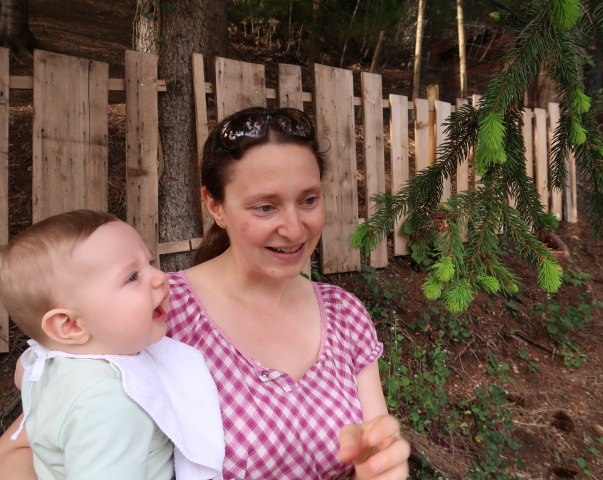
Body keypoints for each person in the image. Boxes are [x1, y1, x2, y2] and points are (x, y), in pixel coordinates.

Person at [166, 106, 410, 479]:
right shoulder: (164, 315)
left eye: (309, 200)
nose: (295, 230)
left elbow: (375, 451)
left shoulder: (344, 314)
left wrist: (378, 466)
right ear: (215, 206)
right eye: (265, 207)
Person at [0, 210, 224, 480]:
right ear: (70, 326)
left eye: (150, 263)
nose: (160, 277)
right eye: (132, 277)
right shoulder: (110, 404)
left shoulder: (44, 363)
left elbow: (22, 373)